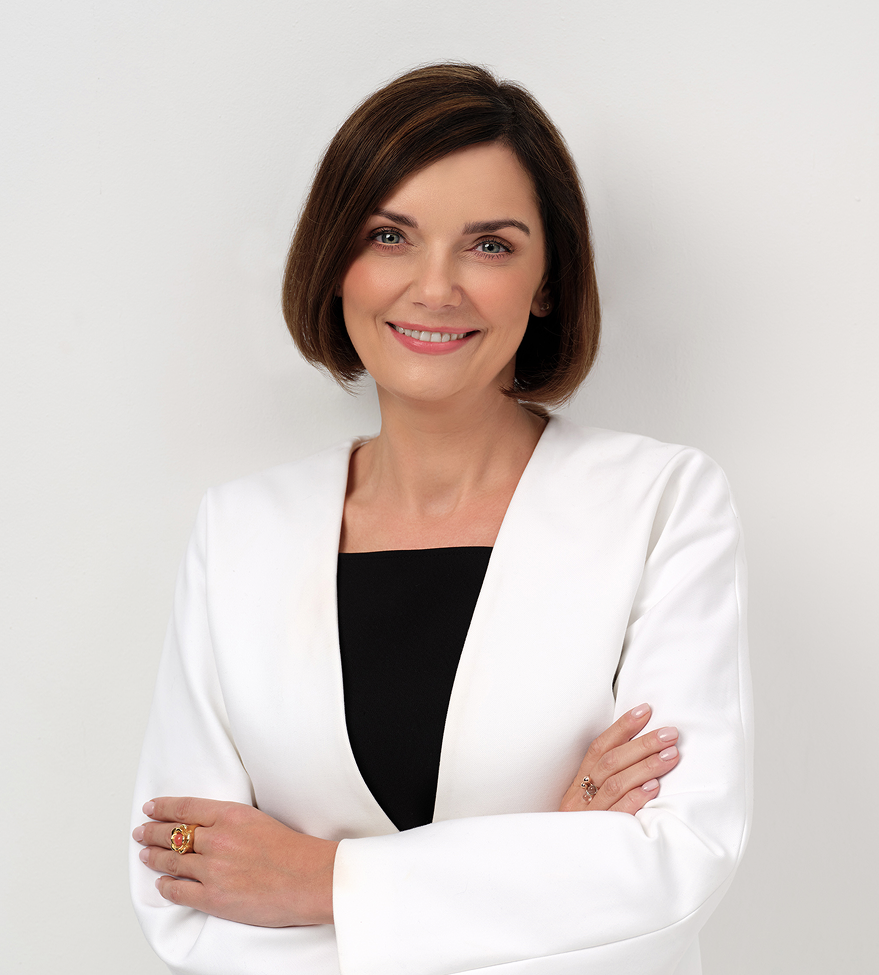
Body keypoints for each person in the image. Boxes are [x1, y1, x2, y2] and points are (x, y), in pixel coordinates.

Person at [130, 63, 751, 975]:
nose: (435, 287)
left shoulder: (660, 502)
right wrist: (547, 858)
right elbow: (185, 887)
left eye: (490, 246)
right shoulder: (239, 532)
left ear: (547, 281)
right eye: (389, 235)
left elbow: (673, 862)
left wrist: (320, 880)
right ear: (335, 260)